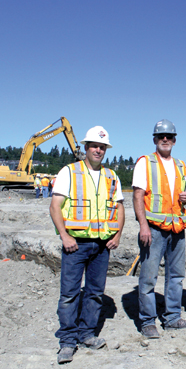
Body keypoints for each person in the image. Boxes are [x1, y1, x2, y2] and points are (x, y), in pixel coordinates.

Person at [49, 126, 125, 364]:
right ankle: (68, 341)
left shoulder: (112, 176)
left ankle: (87, 334)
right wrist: (64, 236)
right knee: (69, 294)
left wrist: (118, 235)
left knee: (94, 293)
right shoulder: (69, 172)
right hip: (76, 244)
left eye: (102, 147)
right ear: (85, 147)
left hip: (102, 245)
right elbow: (55, 206)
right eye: (94, 145)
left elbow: (120, 208)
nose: (98, 150)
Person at [132, 119, 186, 339]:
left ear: (174, 140)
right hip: (153, 229)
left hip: (177, 227)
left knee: (176, 276)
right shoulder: (145, 163)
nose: (165, 139)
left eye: (169, 136)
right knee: (149, 278)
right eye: (161, 136)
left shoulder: (180, 165)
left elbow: (183, 198)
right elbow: (138, 196)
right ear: (155, 140)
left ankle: (172, 318)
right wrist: (143, 226)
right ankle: (148, 322)